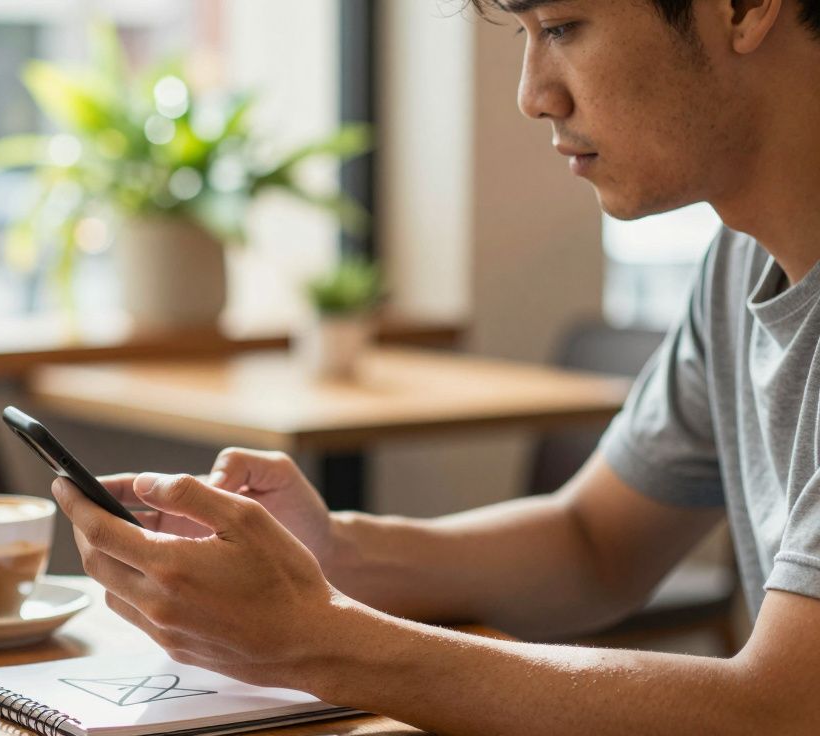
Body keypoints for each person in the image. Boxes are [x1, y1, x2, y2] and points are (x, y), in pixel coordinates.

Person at [53, 0, 820, 732]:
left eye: (562, 27)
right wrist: (329, 554)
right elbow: (593, 545)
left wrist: (315, 638)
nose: (533, 95)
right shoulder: (738, 263)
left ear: (744, 7)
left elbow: (786, 711)